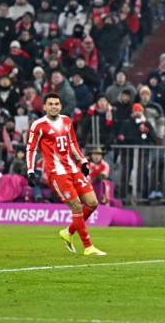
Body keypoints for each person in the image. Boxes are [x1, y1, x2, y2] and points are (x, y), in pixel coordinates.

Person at [26, 93, 106, 256]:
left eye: (57, 103)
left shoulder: (67, 121)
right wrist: (30, 170)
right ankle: (88, 246)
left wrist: (82, 161)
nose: (54, 106)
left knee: (92, 203)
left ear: (60, 106)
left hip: (72, 168)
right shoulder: (38, 125)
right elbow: (31, 148)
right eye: (50, 104)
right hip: (57, 172)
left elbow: (73, 143)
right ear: (44, 107)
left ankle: (68, 232)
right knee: (76, 205)